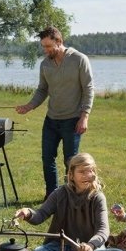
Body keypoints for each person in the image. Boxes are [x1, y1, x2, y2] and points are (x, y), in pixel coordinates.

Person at [14, 152, 126, 251]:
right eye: (82, 172)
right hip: (61, 247)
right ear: (71, 175)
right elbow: (41, 214)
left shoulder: (98, 198)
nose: (87, 175)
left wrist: (90, 245)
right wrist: (28, 213)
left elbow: (103, 229)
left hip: (90, 250)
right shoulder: (60, 193)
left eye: (90, 171)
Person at [15, 26, 94, 199]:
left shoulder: (79, 59)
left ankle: (70, 196)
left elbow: (88, 89)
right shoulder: (45, 64)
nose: (45, 50)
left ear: (59, 42)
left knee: (71, 162)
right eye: (43, 46)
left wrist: (84, 116)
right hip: (51, 119)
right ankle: (52, 196)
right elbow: (42, 89)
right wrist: (29, 106)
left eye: (49, 46)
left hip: (72, 119)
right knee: (47, 159)